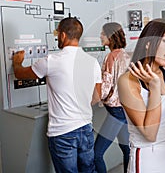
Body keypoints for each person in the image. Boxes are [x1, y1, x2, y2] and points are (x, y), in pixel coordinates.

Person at [12, 17, 102, 173]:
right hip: (86, 128)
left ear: (63, 36)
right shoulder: (92, 62)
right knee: (89, 170)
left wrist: (17, 62)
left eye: (58, 33)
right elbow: (97, 97)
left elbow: (20, 74)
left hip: (62, 132)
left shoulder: (51, 61)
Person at [118, 18, 165, 173]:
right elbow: (149, 134)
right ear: (148, 43)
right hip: (149, 156)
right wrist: (154, 88)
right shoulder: (127, 81)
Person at [94, 22, 130, 173]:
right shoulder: (126, 55)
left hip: (115, 111)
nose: (100, 36)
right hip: (125, 109)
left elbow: (105, 88)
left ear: (110, 36)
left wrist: (90, 97)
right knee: (127, 150)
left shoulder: (111, 57)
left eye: (103, 34)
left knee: (96, 154)